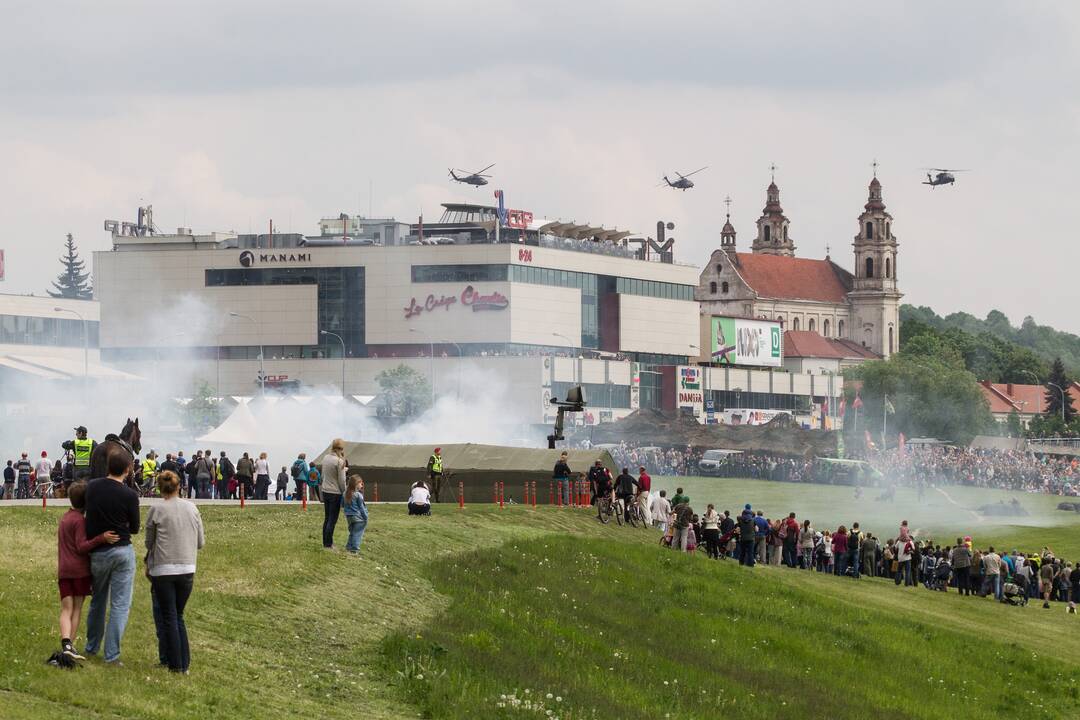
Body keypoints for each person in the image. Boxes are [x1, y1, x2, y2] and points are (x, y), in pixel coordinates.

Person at [84, 451, 140, 664]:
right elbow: (134, 528)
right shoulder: (129, 495)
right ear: (127, 469)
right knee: (119, 604)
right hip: (122, 550)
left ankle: (91, 647)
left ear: (108, 466)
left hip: (98, 551)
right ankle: (112, 655)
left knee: (98, 601)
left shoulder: (93, 487)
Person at [145, 470, 204, 672]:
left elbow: (148, 542)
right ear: (179, 487)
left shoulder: (156, 509)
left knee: (169, 616)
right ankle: (184, 663)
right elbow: (200, 542)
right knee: (178, 615)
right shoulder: (192, 508)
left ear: (160, 488)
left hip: (163, 568)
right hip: (187, 567)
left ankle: (176, 665)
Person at [57, 481, 120, 660]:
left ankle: (66, 641)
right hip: (79, 571)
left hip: (64, 570)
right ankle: (71, 647)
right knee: (76, 609)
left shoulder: (65, 518)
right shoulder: (79, 520)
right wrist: (101, 538)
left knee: (65, 609)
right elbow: (81, 547)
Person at [320, 440, 348, 548]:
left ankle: (325, 542)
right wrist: (344, 492)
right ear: (341, 449)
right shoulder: (339, 461)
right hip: (335, 492)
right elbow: (342, 480)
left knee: (327, 518)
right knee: (332, 520)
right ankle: (329, 544)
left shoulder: (326, 458)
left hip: (325, 490)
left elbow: (323, 475)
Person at [343, 474, 368, 554]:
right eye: (361, 483)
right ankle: (354, 550)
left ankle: (349, 547)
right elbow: (361, 508)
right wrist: (365, 517)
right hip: (359, 518)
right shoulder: (358, 495)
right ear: (356, 484)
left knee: (352, 533)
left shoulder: (345, 494)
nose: (362, 485)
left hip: (349, 517)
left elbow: (342, 505)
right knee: (357, 534)